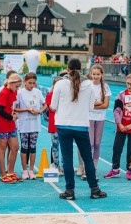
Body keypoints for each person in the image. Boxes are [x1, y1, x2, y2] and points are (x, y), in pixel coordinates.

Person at [51, 58, 106, 200]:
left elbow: (53, 106)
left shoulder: (60, 84)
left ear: (67, 69)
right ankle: (94, 189)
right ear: (81, 69)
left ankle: (70, 191)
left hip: (63, 124)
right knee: (88, 158)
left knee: (67, 159)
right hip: (81, 125)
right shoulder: (88, 84)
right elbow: (90, 107)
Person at [104, 73, 131, 180]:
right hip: (121, 126)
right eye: (127, 83)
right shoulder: (121, 94)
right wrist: (119, 124)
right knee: (117, 148)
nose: (129, 86)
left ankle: (129, 170)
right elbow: (116, 110)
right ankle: (115, 169)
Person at [79, 65, 111, 180]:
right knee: (90, 144)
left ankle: (94, 169)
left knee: (97, 144)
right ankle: (86, 168)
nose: (96, 76)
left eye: (98, 74)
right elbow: (85, 104)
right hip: (89, 118)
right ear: (91, 74)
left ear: (101, 74)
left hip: (100, 118)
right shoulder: (88, 86)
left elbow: (106, 105)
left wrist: (94, 104)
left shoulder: (105, 87)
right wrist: (98, 103)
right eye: (94, 74)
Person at [15, 72, 47, 180]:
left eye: (33, 83)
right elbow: (14, 108)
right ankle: (24, 170)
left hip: (35, 124)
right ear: (24, 82)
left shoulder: (37, 92)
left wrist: (40, 111)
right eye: (29, 83)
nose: (32, 85)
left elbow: (45, 104)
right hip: (24, 124)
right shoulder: (19, 93)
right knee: (24, 147)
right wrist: (26, 109)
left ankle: (31, 170)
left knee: (33, 147)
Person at [0, 73, 23, 183]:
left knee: (15, 147)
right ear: (10, 83)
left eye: (19, 86)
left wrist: (14, 113)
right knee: (2, 148)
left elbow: (11, 106)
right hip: (2, 125)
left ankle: (10, 172)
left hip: (11, 124)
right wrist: (11, 117)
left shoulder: (14, 92)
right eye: (16, 86)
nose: (18, 89)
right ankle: (3, 174)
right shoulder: (4, 93)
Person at [46, 76, 63, 175]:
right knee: (55, 146)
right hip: (54, 124)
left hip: (64, 124)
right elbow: (52, 108)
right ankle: (56, 166)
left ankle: (64, 167)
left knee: (65, 147)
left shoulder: (66, 96)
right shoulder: (50, 95)